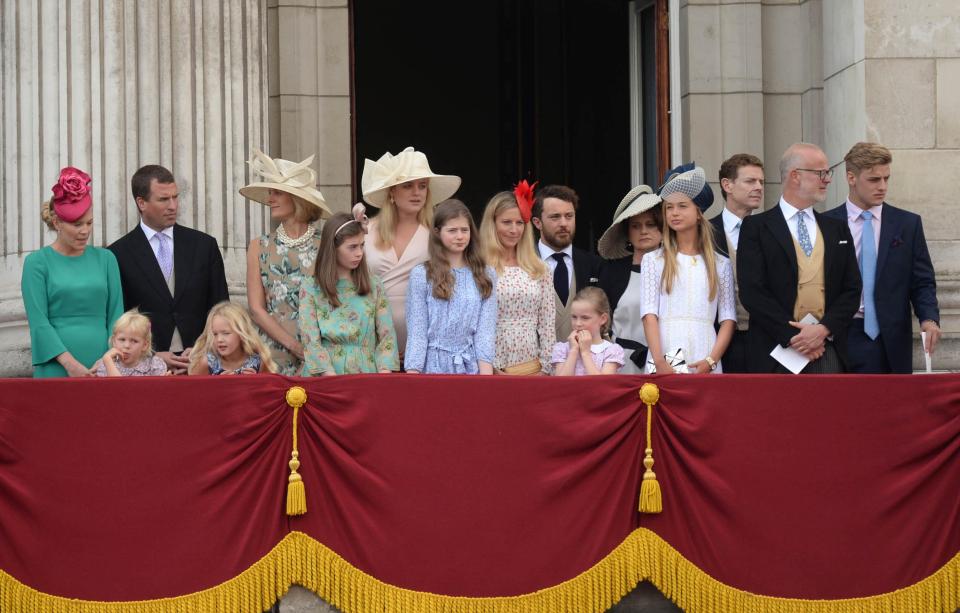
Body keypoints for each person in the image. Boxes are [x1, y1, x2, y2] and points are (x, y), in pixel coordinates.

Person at [737, 143, 861, 374]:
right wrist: (795, 337)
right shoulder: (756, 227)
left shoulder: (837, 229)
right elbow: (752, 292)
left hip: (826, 349)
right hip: (775, 352)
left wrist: (823, 330)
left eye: (828, 173)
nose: (828, 179)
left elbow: (852, 289)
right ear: (795, 176)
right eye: (821, 173)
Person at [822, 142, 940, 373]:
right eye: (874, 180)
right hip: (839, 334)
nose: (882, 186)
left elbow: (922, 280)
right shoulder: (827, 224)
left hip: (891, 338)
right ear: (851, 178)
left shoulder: (907, 224)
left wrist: (929, 319)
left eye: (886, 178)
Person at [109, 165, 229, 374]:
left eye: (175, 197)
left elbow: (221, 307)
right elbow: (119, 318)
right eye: (164, 199)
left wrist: (204, 350)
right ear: (141, 203)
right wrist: (151, 355)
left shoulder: (204, 245)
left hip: (201, 365)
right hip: (144, 370)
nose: (173, 206)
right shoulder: (118, 254)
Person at [21, 167, 124, 378]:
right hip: (56, 366)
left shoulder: (106, 259)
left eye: (89, 223)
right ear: (57, 222)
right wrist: (70, 364)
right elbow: (39, 322)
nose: (85, 231)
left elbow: (117, 316)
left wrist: (107, 359)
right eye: (77, 224)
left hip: (104, 365)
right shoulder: (37, 263)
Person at [361, 146, 461, 357]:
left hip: (425, 344)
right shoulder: (366, 231)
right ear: (392, 193)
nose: (417, 192)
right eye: (407, 186)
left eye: (422, 186)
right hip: (370, 340)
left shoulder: (437, 235)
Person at [240, 149, 332, 376]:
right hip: (273, 353)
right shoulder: (258, 246)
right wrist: (293, 346)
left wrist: (313, 349)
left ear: (296, 197)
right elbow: (256, 309)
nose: (270, 199)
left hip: (322, 351)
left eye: (277, 193)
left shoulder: (327, 244)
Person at [641, 164, 736, 374]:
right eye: (669, 207)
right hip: (665, 351)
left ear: (699, 212)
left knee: (706, 406)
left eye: (682, 206)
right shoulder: (654, 260)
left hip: (706, 350)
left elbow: (728, 318)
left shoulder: (721, 264)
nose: (674, 213)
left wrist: (711, 360)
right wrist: (659, 361)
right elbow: (649, 314)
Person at [299, 206, 400, 376]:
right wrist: (330, 378)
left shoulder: (374, 285)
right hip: (325, 377)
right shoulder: (311, 287)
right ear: (333, 248)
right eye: (352, 247)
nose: (359, 253)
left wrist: (384, 373)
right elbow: (310, 340)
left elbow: (387, 336)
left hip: (366, 373)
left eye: (362, 245)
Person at [404, 199, 497, 375]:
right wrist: (413, 376)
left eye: (464, 230)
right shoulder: (422, 274)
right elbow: (417, 332)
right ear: (438, 233)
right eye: (452, 230)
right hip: (432, 367)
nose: (460, 236)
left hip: (470, 367)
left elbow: (485, 333)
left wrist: (487, 379)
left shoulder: (486, 274)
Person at [479, 183, 556, 375]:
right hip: (490, 369)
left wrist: (546, 369)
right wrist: (490, 369)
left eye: (520, 222)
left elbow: (547, 325)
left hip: (533, 368)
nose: (514, 230)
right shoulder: (478, 268)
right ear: (492, 224)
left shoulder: (540, 269)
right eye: (507, 222)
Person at [709, 153, 765, 373]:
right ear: (727, 185)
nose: (759, 187)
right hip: (715, 340)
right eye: (750, 181)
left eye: (761, 181)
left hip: (764, 339)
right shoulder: (704, 233)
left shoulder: (770, 230)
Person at [597, 184, 663, 373]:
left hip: (668, 359)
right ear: (627, 232)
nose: (644, 231)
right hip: (621, 362)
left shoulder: (675, 267)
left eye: (650, 224)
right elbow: (600, 321)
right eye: (636, 226)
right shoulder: (612, 271)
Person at [531, 184, 604, 341]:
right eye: (555, 217)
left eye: (569, 216)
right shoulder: (522, 264)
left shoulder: (594, 264)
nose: (564, 223)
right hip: (534, 362)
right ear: (537, 223)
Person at [551, 287, 625, 375]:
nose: (578, 323)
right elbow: (560, 385)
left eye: (585, 318)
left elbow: (603, 385)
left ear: (603, 319)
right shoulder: (562, 349)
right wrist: (573, 351)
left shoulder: (611, 351)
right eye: (574, 317)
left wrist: (585, 353)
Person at [188, 302, 276, 375]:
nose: (219, 339)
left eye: (226, 333)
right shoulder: (206, 363)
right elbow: (194, 392)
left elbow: (267, 392)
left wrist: (254, 382)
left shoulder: (258, 362)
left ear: (242, 333)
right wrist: (216, 385)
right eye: (214, 334)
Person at [92, 310, 168, 377]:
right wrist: (108, 361)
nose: (127, 346)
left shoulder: (154, 365)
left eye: (134, 341)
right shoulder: (106, 364)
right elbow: (116, 390)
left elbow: (123, 388)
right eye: (122, 339)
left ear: (145, 345)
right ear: (114, 341)